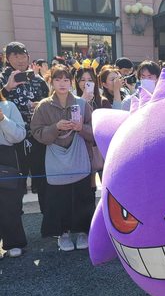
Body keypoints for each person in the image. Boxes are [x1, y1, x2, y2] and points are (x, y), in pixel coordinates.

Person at [30, 66, 94, 251]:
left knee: (82, 196)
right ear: (51, 82)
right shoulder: (44, 106)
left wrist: (80, 128)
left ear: (71, 82)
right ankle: (63, 233)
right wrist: (55, 127)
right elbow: (36, 132)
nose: (62, 84)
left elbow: (94, 130)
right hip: (55, 159)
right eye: (58, 79)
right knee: (59, 198)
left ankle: (82, 232)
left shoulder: (81, 104)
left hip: (80, 157)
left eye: (66, 80)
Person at [0, 41, 49, 209]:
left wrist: (41, 104)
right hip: (11, 141)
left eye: (23, 55)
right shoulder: (2, 79)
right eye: (15, 56)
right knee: (15, 184)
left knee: (42, 180)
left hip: (37, 137)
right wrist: (7, 88)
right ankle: (14, 219)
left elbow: (50, 100)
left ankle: (47, 220)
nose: (20, 59)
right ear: (7, 58)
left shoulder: (38, 80)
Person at [0, 90, 27, 257]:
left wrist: (3, 120)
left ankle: (14, 242)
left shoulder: (8, 106)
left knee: (9, 203)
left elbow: (19, 135)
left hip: (6, 155)